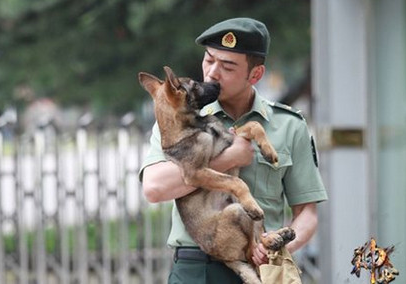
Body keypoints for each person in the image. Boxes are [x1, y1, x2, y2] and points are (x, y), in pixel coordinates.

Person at [139, 17, 328, 283]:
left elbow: (307, 212)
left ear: (256, 74)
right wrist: (228, 159)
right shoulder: (178, 120)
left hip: (262, 268)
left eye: (227, 66)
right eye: (209, 59)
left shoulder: (289, 126)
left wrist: (278, 250)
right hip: (197, 270)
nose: (212, 72)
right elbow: (154, 188)